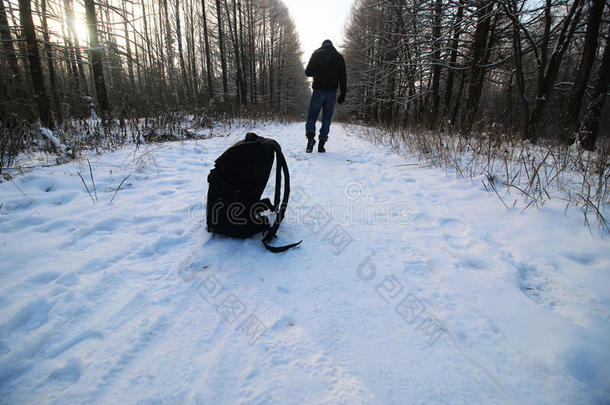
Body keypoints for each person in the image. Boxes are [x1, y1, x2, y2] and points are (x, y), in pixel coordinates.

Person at [304, 39, 347, 153]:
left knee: (312, 116)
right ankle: (321, 144)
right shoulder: (339, 57)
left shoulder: (316, 54)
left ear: (322, 45)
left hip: (318, 90)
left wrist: (318, 71)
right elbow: (343, 77)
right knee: (327, 118)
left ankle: (310, 140)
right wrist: (343, 94)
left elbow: (308, 72)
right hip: (331, 93)